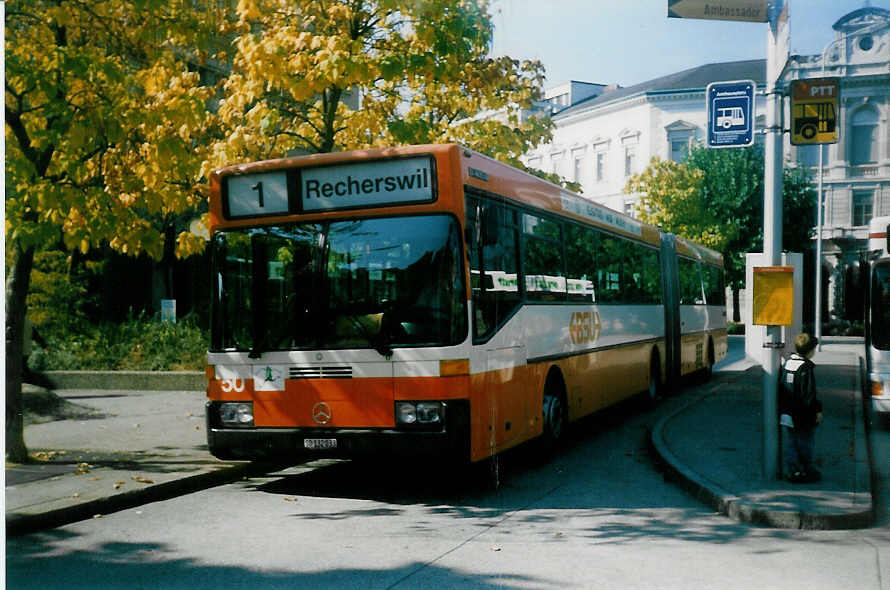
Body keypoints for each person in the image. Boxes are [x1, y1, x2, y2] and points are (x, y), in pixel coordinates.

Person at [778, 333, 824, 483]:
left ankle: (793, 469)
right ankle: (805, 470)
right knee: (805, 443)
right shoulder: (805, 368)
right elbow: (809, 395)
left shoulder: (788, 363)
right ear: (810, 350)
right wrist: (817, 411)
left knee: (792, 442)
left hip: (787, 413)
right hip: (803, 415)